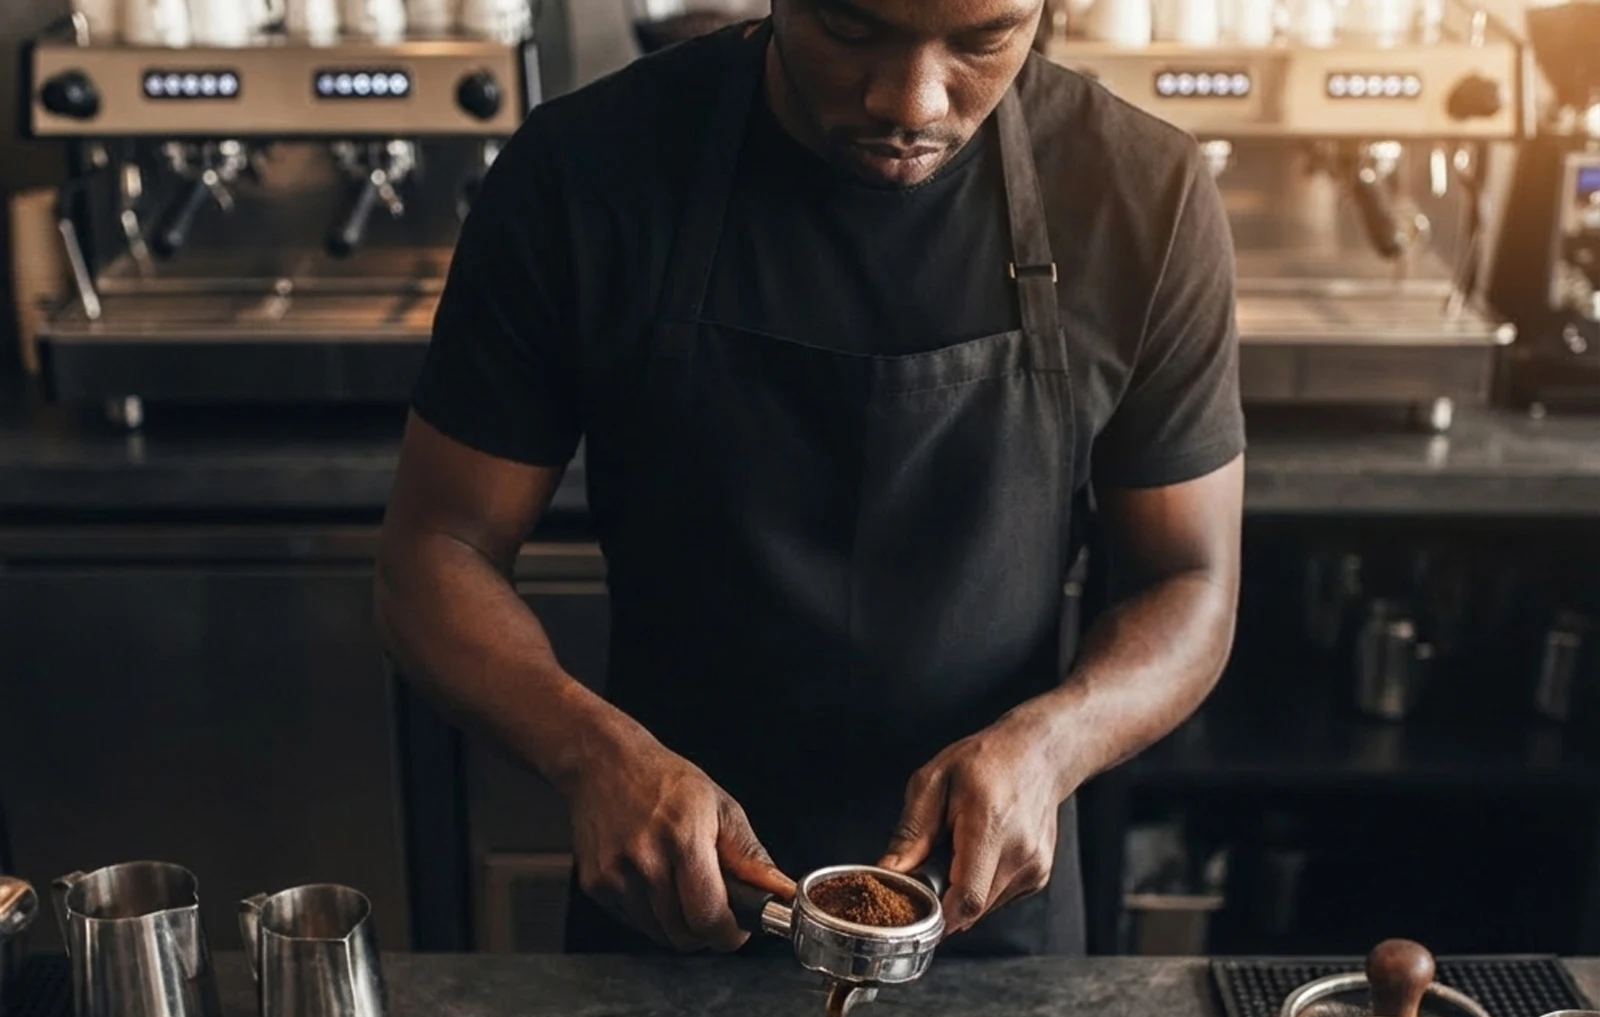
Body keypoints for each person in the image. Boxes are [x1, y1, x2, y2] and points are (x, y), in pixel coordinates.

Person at [375, 0, 1244, 957]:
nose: (908, 101)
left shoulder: (1142, 192)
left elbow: (1190, 582)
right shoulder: (587, 169)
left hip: (987, 915)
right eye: (851, 28)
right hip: (671, 907)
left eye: (981, 39)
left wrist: (1057, 745)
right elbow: (436, 551)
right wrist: (589, 757)